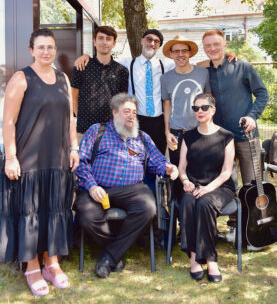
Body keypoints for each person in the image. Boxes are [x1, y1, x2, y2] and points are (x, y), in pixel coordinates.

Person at [0, 29, 79, 296]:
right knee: (30, 212)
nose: (47, 51)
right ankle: (32, 266)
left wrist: (73, 146)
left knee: (55, 208)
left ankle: (52, 263)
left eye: (51, 47)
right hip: (29, 159)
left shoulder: (63, 79)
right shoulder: (21, 78)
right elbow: (8, 121)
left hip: (57, 158)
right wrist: (11, 157)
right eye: (41, 47)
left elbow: (70, 118)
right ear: (31, 50)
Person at [73, 93, 178, 278]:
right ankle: (115, 253)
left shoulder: (142, 137)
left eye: (134, 112)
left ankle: (109, 256)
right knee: (87, 216)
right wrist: (91, 186)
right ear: (114, 112)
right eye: (126, 111)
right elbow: (81, 162)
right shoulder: (97, 131)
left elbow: (158, 162)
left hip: (133, 190)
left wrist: (169, 168)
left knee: (147, 208)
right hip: (98, 188)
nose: (131, 116)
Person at [201, 29, 269, 245]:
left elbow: (262, 93)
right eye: (208, 45)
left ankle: (254, 229)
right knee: (228, 183)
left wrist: (253, 116)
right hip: (219, 140)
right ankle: (233, 226)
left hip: (245, 136)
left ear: (224, 45)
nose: (212, 48)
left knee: (251, 184)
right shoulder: (203, 71)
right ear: (204, 48)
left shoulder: (243, 66)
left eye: (216, 44)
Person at [74, 29, 175, 154]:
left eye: (156, 41)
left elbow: (188, 64)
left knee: (157, 159)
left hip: (158, 121)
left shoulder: (167, 64)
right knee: (136, 160)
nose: (152, 43)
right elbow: (104, 58)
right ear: (142, 41)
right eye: (149, 39)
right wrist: (86, 56)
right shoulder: (127, 63)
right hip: (136, 120)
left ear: (159, 45)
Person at [178, 93, 235, 283]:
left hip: (219, 187)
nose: (200, 112)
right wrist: (185, 181)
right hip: (193, 185)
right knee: (187, 201)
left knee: (204, 203)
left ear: (213, 110)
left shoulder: (226, 136)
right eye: (196, 108)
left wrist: (208, 188)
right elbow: (182, 169)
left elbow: (227, 172)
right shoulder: (189, 137)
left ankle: (210, 259)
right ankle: (194, 257)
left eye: (204, 108)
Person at [161, 35, 211, 197]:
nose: (180, 54)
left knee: (200, 174)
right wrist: (167, 131)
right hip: (176, 134)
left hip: (199, 132)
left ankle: (198, 213)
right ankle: (178, 215)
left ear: (190, 53)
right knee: (177, 177)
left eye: (184, 50)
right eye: (176, 51)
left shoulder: (203, 73)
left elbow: (209, 101)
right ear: (171, 54)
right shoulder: (166, 78)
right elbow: (166, 105)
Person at [71, 25, 129, 141]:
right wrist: (82, 118)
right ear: (94, 41)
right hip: (84, 131)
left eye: (108, 39)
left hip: (112, 132)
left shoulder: (121, 71)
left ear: (114, 43)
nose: (104, 42)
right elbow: (73, 98)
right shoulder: (81, 67)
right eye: (100, 38)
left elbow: (122, 101)